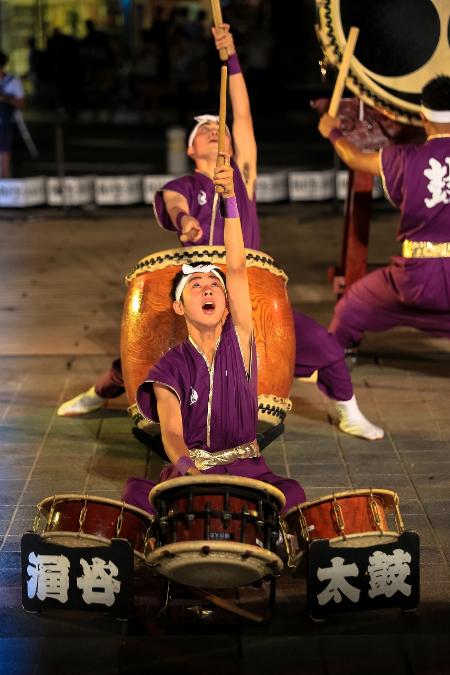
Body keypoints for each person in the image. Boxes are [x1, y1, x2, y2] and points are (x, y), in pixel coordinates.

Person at [58, 24, 383, 441]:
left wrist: (231, 58)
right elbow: (173, 204)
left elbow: (242, 115)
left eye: (220, 128)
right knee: (146, 351)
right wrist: (184, 221)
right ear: (191, 150)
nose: (215, 129)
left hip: (249, 289)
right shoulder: (184, 187)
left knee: (324, 346)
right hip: (198, 287)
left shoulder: (241, 176)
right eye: (204, 131)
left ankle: (349, 411)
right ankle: (100, 393)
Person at [122, 154, 305, 516]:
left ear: (226, 306)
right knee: (134, 493)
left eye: (213, 286)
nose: (208, 289)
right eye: (196, 285)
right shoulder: (168, 370)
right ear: (179, 306)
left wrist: (230, 201)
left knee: (293, 493)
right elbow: (172, 433)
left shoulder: (239, 340)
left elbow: (236, 268)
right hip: (193, 468)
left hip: (248, 469)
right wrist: (190, 470)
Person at [318, 75, 450, 351]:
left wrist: (332, 131)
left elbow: (354, 157)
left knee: (352, 306)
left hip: (417, 281)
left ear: (424, 120)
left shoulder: (404, 158)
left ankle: (332, 361)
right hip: (424, 279)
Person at [0, 51, 25, 178]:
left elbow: (21, 103)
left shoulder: (13, 81)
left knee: (4, 148)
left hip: (6, 121)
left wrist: (5, 98)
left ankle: (4, 177)